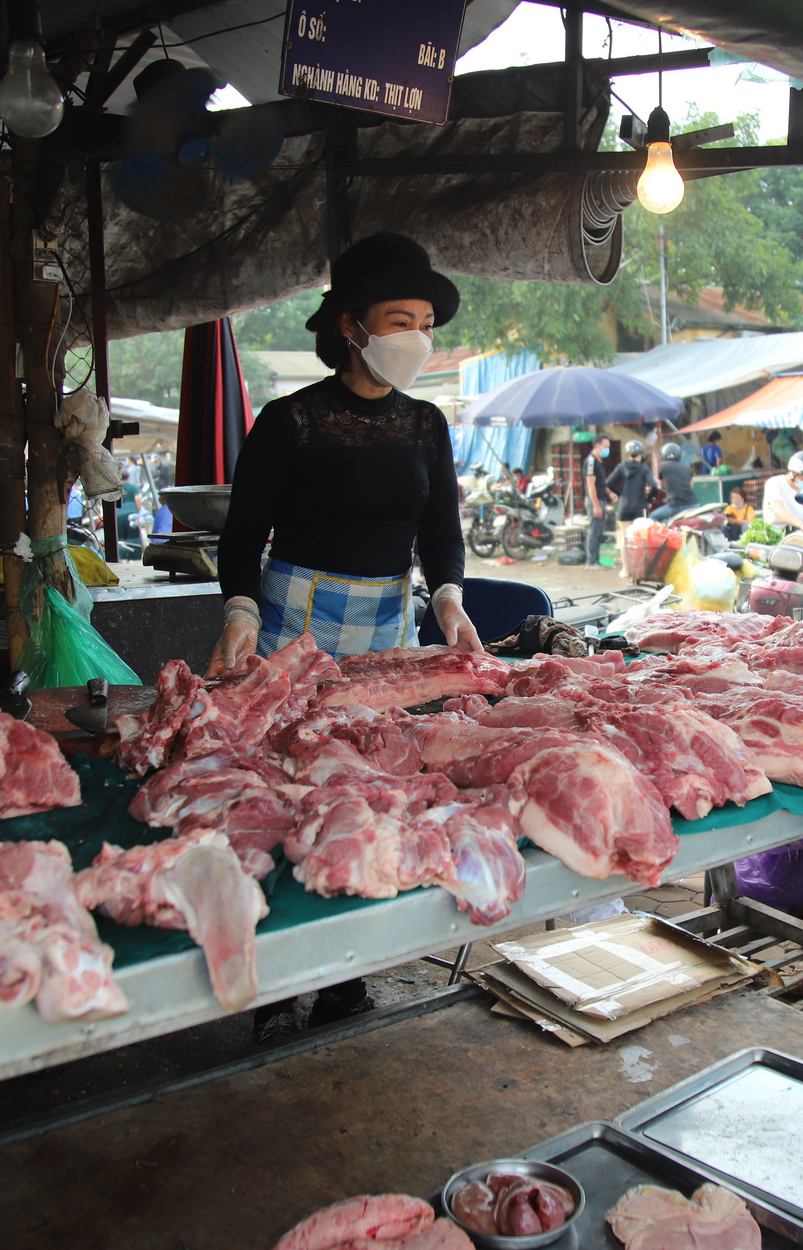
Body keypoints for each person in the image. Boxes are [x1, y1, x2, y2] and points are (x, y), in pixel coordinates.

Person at [210, 233, 484, 1041]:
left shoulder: (428, 424)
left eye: (427, 321)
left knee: (367, 789)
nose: (417, 336)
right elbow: (241, 536)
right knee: (283, 789)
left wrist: (450, 604)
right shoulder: (291, 421)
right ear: (351, 326)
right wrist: (239, 612)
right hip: (294, 615)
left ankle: (345, 975)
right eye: (399, 317)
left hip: (385, 623)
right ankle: (271, 983)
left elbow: (442, 534)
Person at [607, 440, 655, 524]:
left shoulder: (621, 467)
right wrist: (649, 500)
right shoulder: (644, 468)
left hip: (624, 506)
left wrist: (620, 493)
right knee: (641, 536)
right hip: (640, 507)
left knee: (626, 536)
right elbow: (654, 485)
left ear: (628, 454)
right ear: (640, 454)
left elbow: (608, 483)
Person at [584, 435, 614, 565]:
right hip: (594, 501)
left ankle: (596, 559)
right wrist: (596, 505)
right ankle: (591, 561)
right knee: (594, 531)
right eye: (606, 446)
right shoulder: (591, 461)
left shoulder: (600, 461)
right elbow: (590, 485)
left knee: (599, 531)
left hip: (601, 499)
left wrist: (609, 493)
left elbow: (600, 483)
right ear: (598, 446)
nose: (607, 449)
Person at [649, 442, 698, 521]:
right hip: (694, 504)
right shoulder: (687, 467)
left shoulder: (662, 466)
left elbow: (662, 485)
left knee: (652, 516)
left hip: (676, 506)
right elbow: (691, 485)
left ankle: (664, 533)